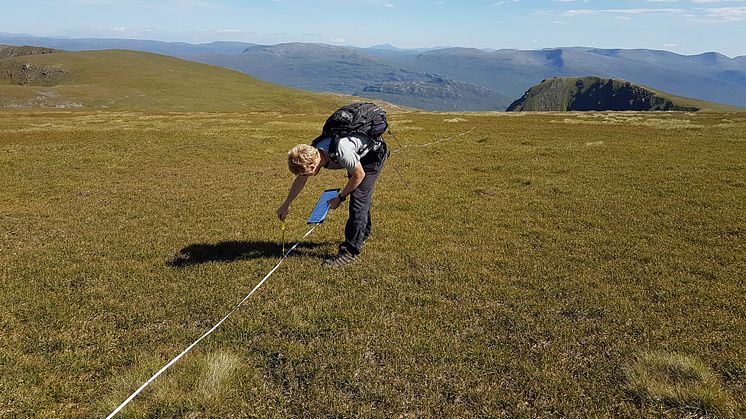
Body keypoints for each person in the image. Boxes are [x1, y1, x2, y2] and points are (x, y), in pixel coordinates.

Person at [276, 133, 387, 268]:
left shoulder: (341, 151)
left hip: (372, 156)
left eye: (306, 173)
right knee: (359, 195)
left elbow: (359, 175)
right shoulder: (314, 152)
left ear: (312, 165)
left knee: (358, 199)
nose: (306, 176)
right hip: (358, 155)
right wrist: (286, 204)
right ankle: (362, 234)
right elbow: (301, 178)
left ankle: (350, 252)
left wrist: (340, 198)